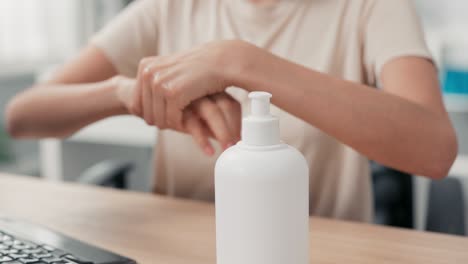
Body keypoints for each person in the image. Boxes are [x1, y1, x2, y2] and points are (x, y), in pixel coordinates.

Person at [6, 0, 457, 222]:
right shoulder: (170, 7)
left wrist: (242, 63)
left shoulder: (370, 8)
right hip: (176, 247)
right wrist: (129, 93)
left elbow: (435, 150)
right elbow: (21, 116)